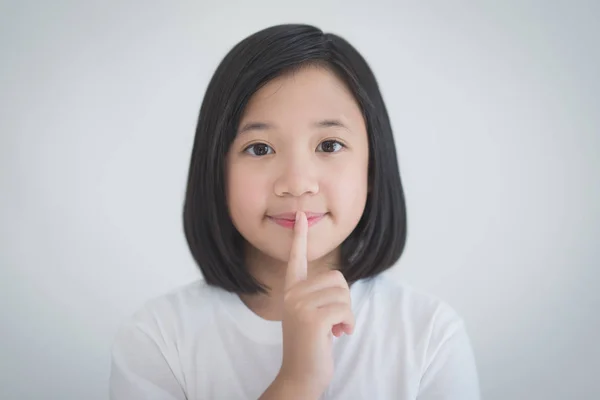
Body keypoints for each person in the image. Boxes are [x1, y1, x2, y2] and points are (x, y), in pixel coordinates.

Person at [109, 23, 481, 399]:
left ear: (372, 167)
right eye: (259, 148)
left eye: (330, 145)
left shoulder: (429, 335)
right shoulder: (158, 338)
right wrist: (297, 380)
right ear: (216, 172)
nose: (298, 182)